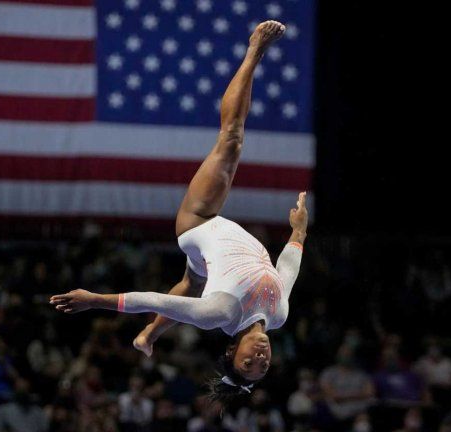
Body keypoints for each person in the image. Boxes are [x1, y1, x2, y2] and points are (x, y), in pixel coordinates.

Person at [49, 20, 308, 400]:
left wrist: (95, 300)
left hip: (199, 221)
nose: (259, 358)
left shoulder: (219, 313)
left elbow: (152, 299)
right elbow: (286, 271)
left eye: (248, 363)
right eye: (263, 366)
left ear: (231, 352)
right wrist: (299, 231)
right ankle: (148, 335)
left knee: (231, 140)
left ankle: (254, 49)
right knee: (192, 281)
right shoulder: (279, 314)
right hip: (208, 259)